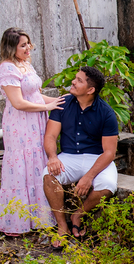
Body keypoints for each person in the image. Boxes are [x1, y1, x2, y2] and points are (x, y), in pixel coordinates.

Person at [0, 28, 65, 235]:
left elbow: (36, 97)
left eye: (28, 43)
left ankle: (39, 218)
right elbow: (19, 103)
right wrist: (47, 108)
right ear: (11, 47)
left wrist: (62, 101)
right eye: (23, 45)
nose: (28, 48)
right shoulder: (7, 68)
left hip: (36, 121)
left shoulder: (25, 65)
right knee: (21, 169)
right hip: (20, 124)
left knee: (36, 165)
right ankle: (17, 221)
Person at [42, 65, 119, 239]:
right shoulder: (62, 104)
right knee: (48, 176)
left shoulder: (106, 113)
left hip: (96, 157)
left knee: (108, 185)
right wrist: (53, 157)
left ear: (90, 89)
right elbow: (50, 136)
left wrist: (89, 176)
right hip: (68, 156)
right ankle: (62, 225)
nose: (73, 82)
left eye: (79, 80)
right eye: (75, 78)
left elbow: (109, 153)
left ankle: (78, 214)